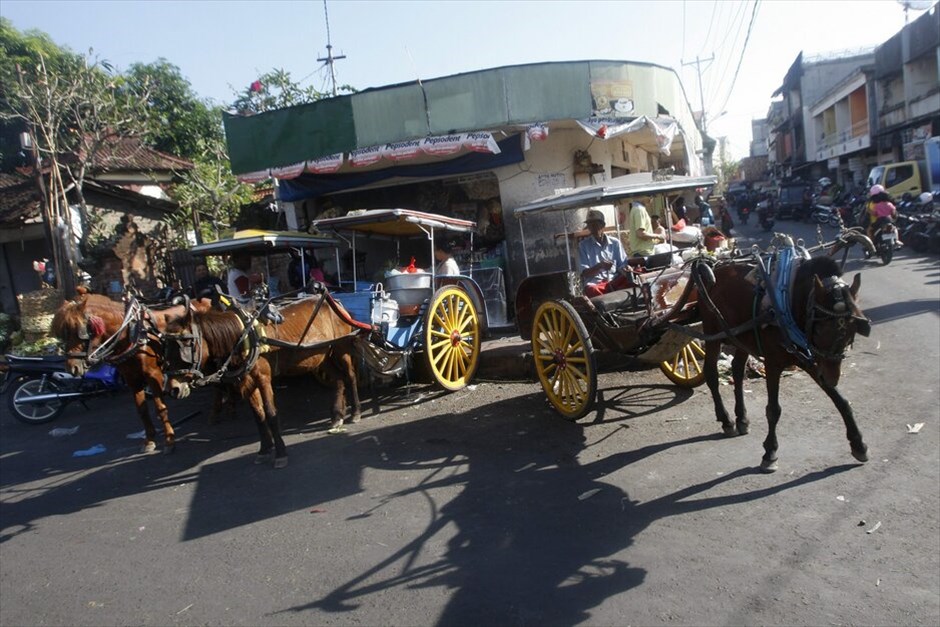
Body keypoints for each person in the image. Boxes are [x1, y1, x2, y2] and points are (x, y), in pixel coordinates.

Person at [579, 208, 634, 298]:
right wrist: (600, 266)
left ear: (603, 225)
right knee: (592, 290)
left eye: (595, 224)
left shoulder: (615, 243)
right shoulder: (583, 246)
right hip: (596, 283)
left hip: (614, 281)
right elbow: (585, 273)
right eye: (590, 225)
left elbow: (622, 265)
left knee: (634, 280)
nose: (593, 228)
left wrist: (626, 269)